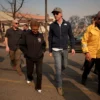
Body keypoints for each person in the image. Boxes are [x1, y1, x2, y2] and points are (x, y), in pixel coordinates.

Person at [48, 7, 75, 95]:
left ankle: (58, 73)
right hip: (55, 49)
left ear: (61, 14)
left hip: (64, 49)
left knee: (65, 65)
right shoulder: (52, 25)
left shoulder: (67, 24)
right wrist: (50, 50)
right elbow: (50, 38)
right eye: (54, 14)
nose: (55, 15)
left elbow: (71, 36)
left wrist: (73, 47)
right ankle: (59, 86)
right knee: (59, 68)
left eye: (57, 13)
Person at [19, 20, 46, 93]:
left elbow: (44, 45)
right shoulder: (26, 35)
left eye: (36, 29)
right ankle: (29, 77)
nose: (35, 31)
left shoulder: (40, 35)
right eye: (33, 29)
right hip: (29, 57)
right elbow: (21, 45)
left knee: (39, 72)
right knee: (30, 71)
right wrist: (26, 53)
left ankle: (38, 87)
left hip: (39, 57)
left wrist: (42, 51)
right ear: (31, 28)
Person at [81, 11, 100, 95]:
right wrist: (86, 52)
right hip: (91, 54)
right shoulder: (90, 28)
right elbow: (84, 41)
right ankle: (84, 78)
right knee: (87, 68)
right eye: (99, 19)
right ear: (96, 19)